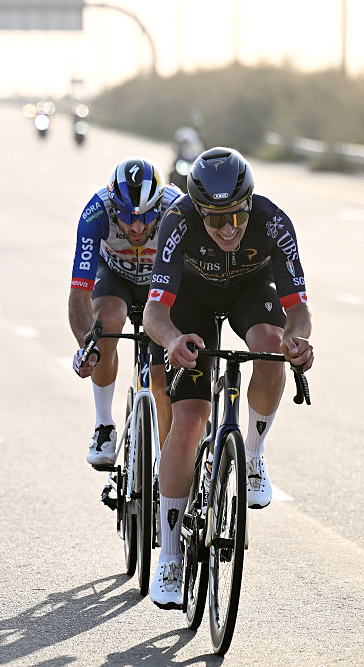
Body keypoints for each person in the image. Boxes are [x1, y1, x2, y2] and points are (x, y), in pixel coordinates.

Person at [143, 147, 314, 608]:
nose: (229, 229)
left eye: (237, 216)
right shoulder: (176, 222)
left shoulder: (273, 222)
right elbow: (154, 312)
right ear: (199, 211)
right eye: (216, 220)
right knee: (190, 422)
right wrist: (173, 340)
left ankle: (253, 454)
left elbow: (299, 312)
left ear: (249, 204)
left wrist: (297, 341)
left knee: (270, 339)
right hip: (192, 301)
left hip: (250, 291)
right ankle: (172, 556)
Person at [69, 158, 181, 469]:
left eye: (146, 217)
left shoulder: (177, 210)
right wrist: (86, 345)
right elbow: (79, 293)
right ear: (112, 207)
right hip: (114, 277)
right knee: (105, 322)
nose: (136, 227)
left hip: (160, 282)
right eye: (126, 218)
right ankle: (104, 426)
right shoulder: (95, 212)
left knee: (161, 376)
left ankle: (169, 456)